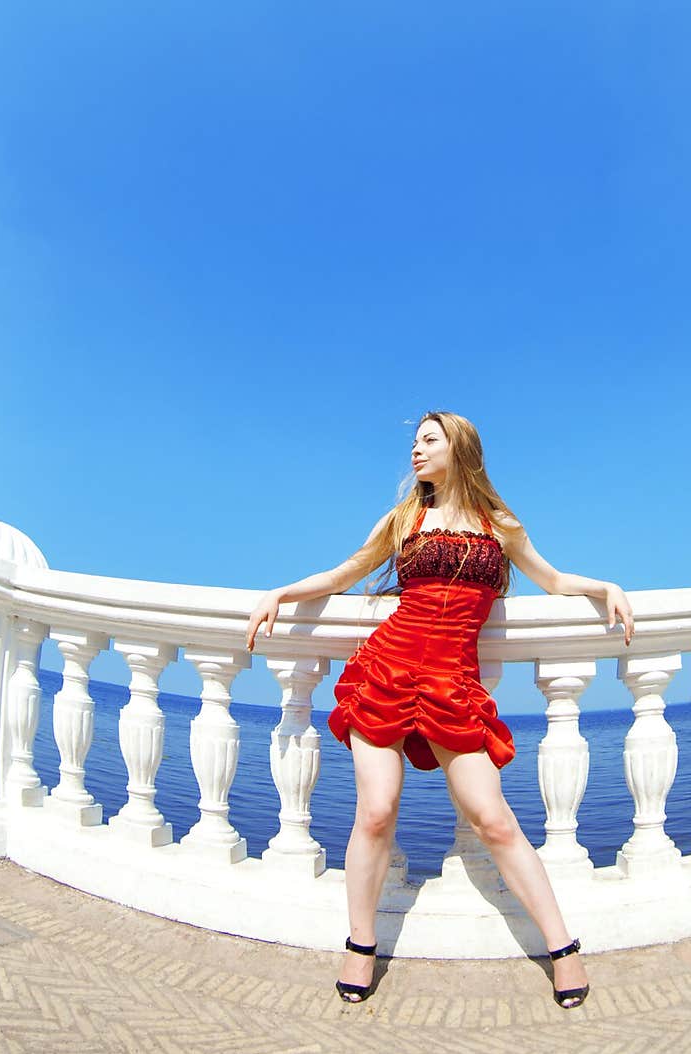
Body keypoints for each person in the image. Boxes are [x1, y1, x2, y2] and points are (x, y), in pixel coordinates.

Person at [246, 410, 634, 1010]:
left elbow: (551, 580)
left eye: (429, 440)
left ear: (460, 447)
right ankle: (360, 943)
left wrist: (604, 587)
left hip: (453, 682)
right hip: (388, 669)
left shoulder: (498, 524)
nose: (416, 452)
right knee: (376, 812)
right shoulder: (405, 519)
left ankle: (562, 948)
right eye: (414, 443)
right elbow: (344, 573)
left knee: (493, 819)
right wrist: (280, 593)